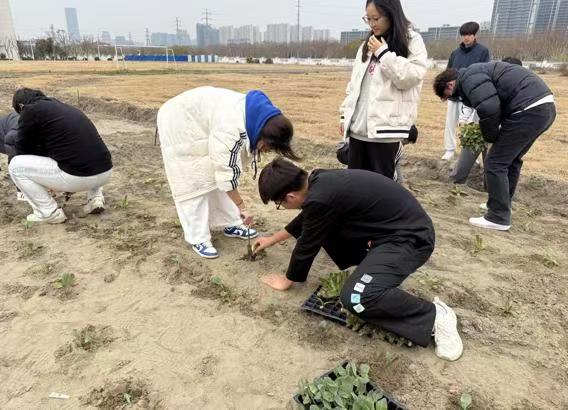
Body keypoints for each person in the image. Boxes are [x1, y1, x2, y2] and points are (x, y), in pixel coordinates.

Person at [253, 158, 463, 361]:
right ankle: (378, 275)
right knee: (325, 230)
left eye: (279, 204)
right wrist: (271, 239)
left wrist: (288, 279)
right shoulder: (319, 183)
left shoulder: (320, 199)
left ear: (290, 197)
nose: (282, 207)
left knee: (356, 297)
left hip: (410, 240)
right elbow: (307, 220)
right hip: (390, 233)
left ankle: (436, 316)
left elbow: (307, 244)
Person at [157, 86, 299, 259]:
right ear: (264, 137)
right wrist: (242, 207)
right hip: (180, 121)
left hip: (202, 121)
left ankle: (230, 222)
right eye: (269, 147)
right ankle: (198, 237)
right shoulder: (231, 130)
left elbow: (226, 173)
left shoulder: (263, 118)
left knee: (216, 176)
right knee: (193, 181)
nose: (267, 151)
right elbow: (226, 173)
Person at [433, 61, 555, 230]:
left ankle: (498, 217)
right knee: (510, 160)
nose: (455, 98)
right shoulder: (476, 72)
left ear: (450, 84)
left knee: (495, 162)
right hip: (543, 107)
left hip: (528, 108)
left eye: (449, 95)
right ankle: (502, 204)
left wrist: (490, 136)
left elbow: (488, 107)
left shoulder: (469, 78)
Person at [339, 0, 427, 180]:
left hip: (386, 132)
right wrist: (345, 116)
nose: (371, 24)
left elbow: (412, 76)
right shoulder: (367, 44)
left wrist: (384, 54)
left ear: (391, 14)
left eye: (376, 18)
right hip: (358, 131)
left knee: (382, 186)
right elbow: (354, 86)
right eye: (368, 19)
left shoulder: (412, 41)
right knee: (355, 185)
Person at [9, 88, 112, 224]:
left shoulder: (29, 110)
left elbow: (22, 149)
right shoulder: (62, 107)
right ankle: (95, 199)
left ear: (21, 106)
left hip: (80, 177)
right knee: (86, 153)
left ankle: (49, 213)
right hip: (105, 172)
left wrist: (44, 182)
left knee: (15, 165)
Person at [450, 57, 522, 185]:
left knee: (492, 165)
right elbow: (470, 100)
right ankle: (455, 184)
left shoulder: (518, 89)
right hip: (478, 128)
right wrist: (463, 119)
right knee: (464, 162)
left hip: (500, 133)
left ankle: (489, 190)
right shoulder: (487, 79)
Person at [442, 22, 491, 161]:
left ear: (475, 35)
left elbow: (485, 72)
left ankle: (471, 155)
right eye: (463, 35)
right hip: (454, 95)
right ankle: (449, 150)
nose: (466, 37)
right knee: (450, 124)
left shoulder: (483, 51)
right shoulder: (455, 53)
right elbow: (448, 72)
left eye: (469, 34)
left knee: (471, 125)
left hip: (471, 96)